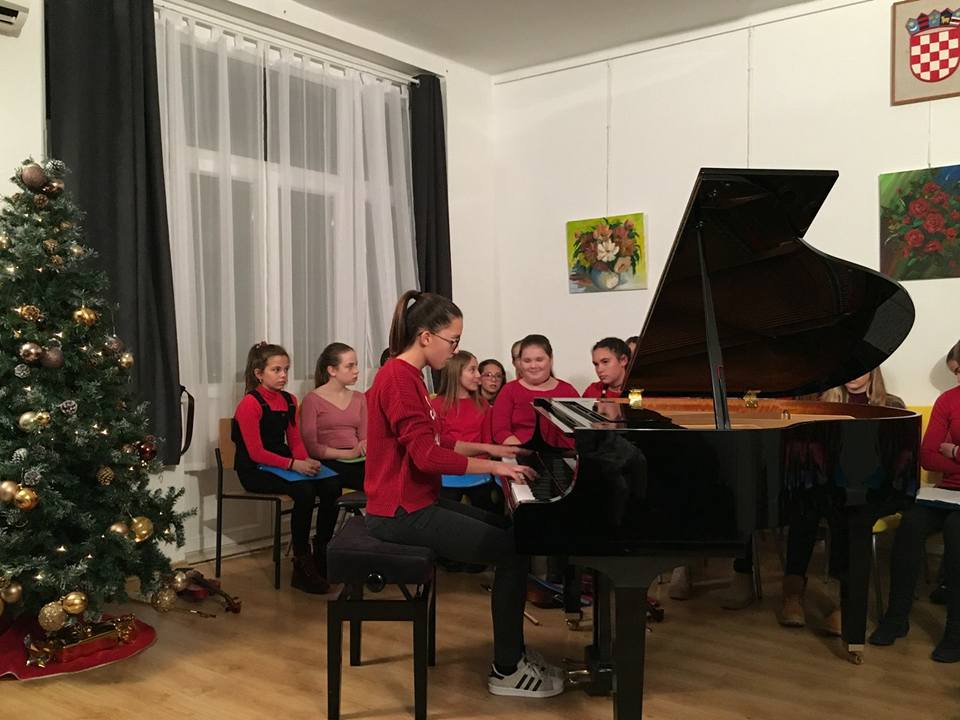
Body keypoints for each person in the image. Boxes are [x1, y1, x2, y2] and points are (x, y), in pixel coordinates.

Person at [364, 290, 565, 697]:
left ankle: (514, 654)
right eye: (452, 341)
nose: (455, 350)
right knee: (512, 551)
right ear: (426, 337)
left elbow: (439, 442)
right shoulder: (399, 380)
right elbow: (426, 457)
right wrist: (494, 467)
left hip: (415, 502)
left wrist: (494, 449)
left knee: (515, 534)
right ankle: (507, 669)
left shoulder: (411, 377)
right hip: (399, 512)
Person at [779, 368, 905, 633]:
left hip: (872, 488)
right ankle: (793, 593)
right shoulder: (825, 404)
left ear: (873, 372)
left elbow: (896, 458)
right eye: (848, 370)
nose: (852, 376)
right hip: (831, 482)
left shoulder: (892, 405)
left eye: (861, 370)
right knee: (803, 507)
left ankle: (844, 602)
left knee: (847, 514)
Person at [870, 341, 960, 662]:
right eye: (955, 372)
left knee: (956, 530)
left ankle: (955, 631)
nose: (958, 377)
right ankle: (896, 618)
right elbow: (927, 455)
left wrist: (955, 451)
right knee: (911, 523)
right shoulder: (947, 400)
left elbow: (942, 453)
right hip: (946, 492)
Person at [232, 342, 340, 594]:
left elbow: (295, 441)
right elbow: (255, 452)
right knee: (304, 491)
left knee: (332, 484)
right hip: (254, 469)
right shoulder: (250, 404)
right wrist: (294, 465)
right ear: (259, 373)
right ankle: (302, 562)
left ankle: (322, 551)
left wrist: (306, 462)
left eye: (286, 370)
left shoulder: (290, 401)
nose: (283, 375)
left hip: (280, 463)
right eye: (276, 370)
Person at [433, 351, 504, 516]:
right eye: (472, 370)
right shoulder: (436, 405)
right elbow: (437, 445)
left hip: (479, 475)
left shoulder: (482, 404)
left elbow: (487, 444)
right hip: (447, 478)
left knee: (492, 516)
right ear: (456, 373)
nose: (478, 375)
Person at [492, 334, 580, 449]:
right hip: (519, 454)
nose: (533, 366)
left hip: (563, 456)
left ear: (551, 359)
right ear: (520, 362)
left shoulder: (567, 391)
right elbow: (500, 431)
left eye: (539, 360)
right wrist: (524, 450)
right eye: (527, 361)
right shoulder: (509, 390)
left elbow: (580, 433)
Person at [301, 342, 367, 493]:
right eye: (349, 366)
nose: (356, 371)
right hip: (329, 460)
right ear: (332, 370)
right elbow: (312, 448)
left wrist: (362, 449)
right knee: (335, 484)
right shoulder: (312, 400)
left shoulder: (359, 398)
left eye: (356, 365)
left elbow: (364, 438)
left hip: (357, 459)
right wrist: (349, 454)